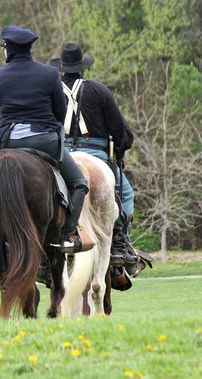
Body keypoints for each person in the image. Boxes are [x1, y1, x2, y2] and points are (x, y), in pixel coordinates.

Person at [0, 26, 89, 254]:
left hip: (8, 142)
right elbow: (60, 112)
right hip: (43, 141)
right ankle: (67, 235)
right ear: (29, 48)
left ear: (8, 50)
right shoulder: (49, 74)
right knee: (79, 183)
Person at [50, 43, 137, 266]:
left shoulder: (51, 90)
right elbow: (120, 131)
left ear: (61, 70)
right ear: (82, 69)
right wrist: (120, 150)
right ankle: (119, 245)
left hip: (61, 156)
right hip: (96, 153)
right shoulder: (99, 90)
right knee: (125, 194)